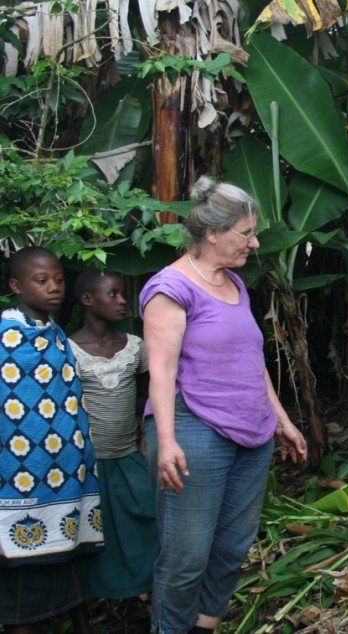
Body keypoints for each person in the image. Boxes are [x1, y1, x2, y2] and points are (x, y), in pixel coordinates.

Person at [140, 176, 308, 634]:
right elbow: (161, 372)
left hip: (252, 433)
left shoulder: (235, 283)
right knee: (186, 557)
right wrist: (169, 441)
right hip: (195, 429)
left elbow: (251, 360)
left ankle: (203, 627)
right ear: (212, 232)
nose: (254, 243)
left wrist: (283, 420)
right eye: (245, 234)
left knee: (232, 548)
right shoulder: (169, 288)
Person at [0, 246, 102, 634]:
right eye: (41, 281)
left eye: (58, 280)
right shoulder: (7, 336)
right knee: (21, 586)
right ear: (16, 285)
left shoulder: (55, 334)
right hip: (18, 483)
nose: (54, 288)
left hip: (66, 478)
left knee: (67, 568)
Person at [69, 269, 157, 602]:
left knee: (146, 519)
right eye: (113, 294)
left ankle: (147, 595)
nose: (123, 302)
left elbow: (148, 398)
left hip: (127, 456)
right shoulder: (68, 349)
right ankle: (98, 600)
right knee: (95, 533)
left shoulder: (135, 347)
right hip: (87, 465)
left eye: (123, 294)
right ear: (88, 300)